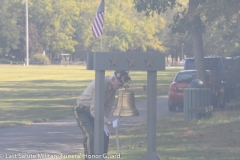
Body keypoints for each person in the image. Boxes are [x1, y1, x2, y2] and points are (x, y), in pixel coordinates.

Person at [73, 70, 131, 159]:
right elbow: (94, 110)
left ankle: (101, 158)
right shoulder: (99, 85)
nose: (120, 87)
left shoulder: (112, 88)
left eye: (121, 86)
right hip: (82, 111)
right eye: (119, 85)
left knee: (104, 135)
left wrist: (103, 121)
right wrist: (108, 122)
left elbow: (107, 107)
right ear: (113, 79)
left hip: (95, 113)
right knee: (91, 136)